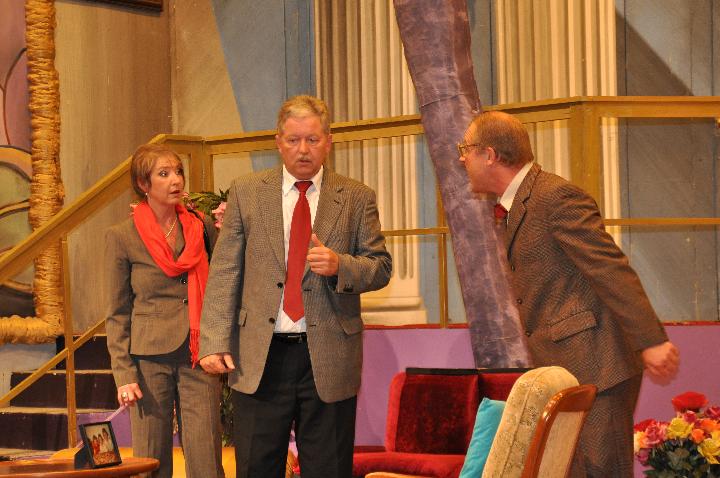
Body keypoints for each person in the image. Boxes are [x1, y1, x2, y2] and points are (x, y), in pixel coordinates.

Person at [458, 111, 680, 477]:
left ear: (490, 154)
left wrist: (650, 340)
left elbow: (609, 268)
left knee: (601, 472)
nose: (462, 158)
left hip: (599, 366)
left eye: (466, 149)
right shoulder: (520, 204)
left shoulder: (554, 196)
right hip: (570, 368)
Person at [199, 95, 392, 478]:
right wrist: (214, 340)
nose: (303, 149)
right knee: (255, 468)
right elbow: (224, 271)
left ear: (328, 142)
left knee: (328, 469)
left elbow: (380, 267)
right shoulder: (247, 191)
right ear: (278, 142)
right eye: (293, 140)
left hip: (329, 356)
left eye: (312, 139)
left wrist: (341, 265)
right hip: (260, 356)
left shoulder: (356, 197)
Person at [104, 143, 223, 478]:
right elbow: (117, 312)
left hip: (199, 353)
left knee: (207, 460)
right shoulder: (122, 236)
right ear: (144, 184)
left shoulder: (201, 226)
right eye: (164, 173)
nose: (176, 180)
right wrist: (124, 375)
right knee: (150, 461)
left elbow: (224, 282)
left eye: (178, 171)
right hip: (148, 360)